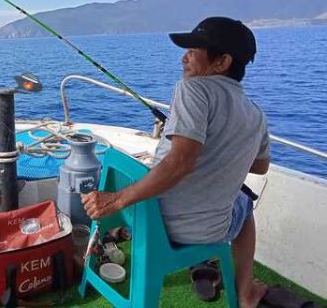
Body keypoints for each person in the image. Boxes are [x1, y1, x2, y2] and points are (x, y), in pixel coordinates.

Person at [82, 17, 270, 308]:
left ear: (221, 62)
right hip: (211, 231)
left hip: (153, 220)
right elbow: (260, 166)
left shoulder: (193, 88)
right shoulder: (256, 115)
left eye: (193, 51)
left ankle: (117, 235)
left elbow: (181, 162)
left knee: (236, 200)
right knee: (244, 204)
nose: (184, 58)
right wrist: (225, 153)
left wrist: (117, 200)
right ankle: (245, 292)